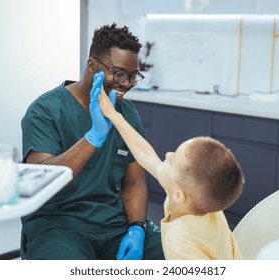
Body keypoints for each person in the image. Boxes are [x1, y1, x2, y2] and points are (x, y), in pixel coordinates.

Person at [20, 23, 164, 260]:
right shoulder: (45, 110)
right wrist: (93, 137)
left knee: (182, 253)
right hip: (58, 226)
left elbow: (134, 184)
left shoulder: (126, 114)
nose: (127, 83)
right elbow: (42, 182)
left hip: (112, 223)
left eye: (132, 76)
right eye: (118, 73)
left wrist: (137, 228)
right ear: (91, 66)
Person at [97, 90, 245, 260]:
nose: (167, 155)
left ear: (179, 195)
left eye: (173, 161)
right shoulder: (204, 207)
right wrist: (112, 114)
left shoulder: (180, 243)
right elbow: (144, 154)